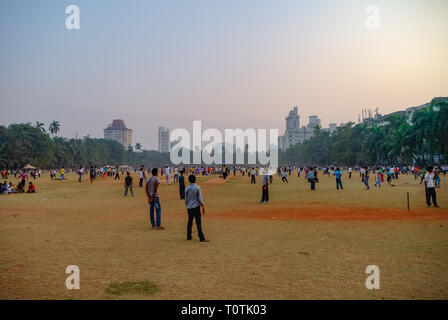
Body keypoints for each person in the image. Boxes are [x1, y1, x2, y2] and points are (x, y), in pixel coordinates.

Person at [184, 174, 209, 242]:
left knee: (190, 221)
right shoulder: (197, 188)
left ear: (189, 180)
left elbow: (185, 199)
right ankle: (201, 238)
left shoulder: (186, 188)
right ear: (195, 180)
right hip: (196, 207)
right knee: (198, 223)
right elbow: (200, 198)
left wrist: (187, 206)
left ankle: (189, 236)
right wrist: (203, 206)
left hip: (189, 207)